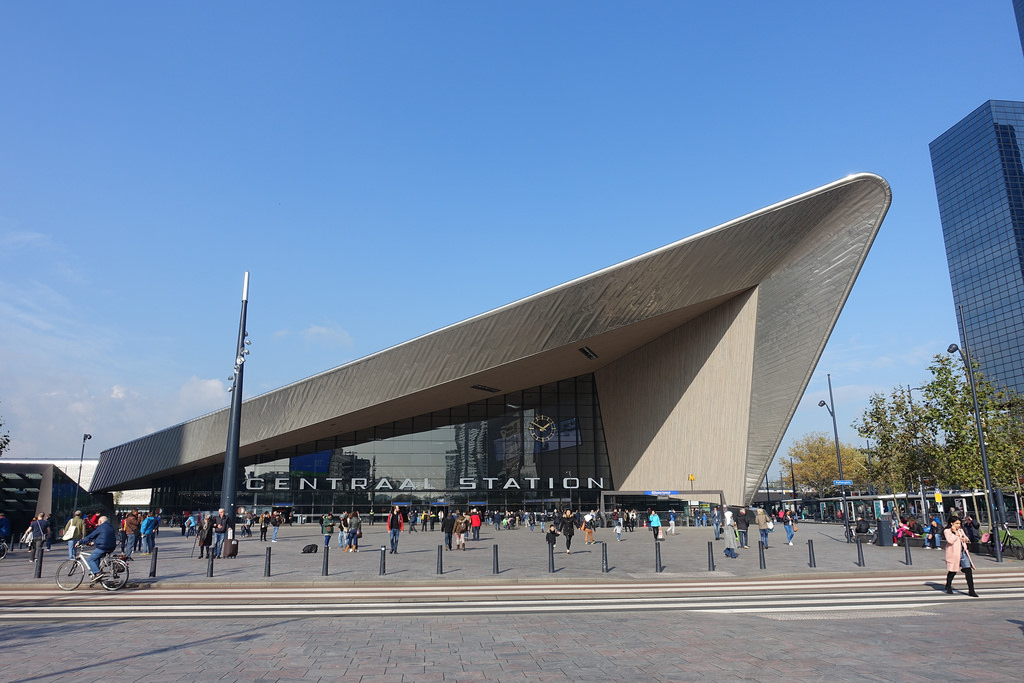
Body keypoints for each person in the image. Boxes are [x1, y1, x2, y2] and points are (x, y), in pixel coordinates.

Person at [943, 517, 978, 597]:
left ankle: (971, 590)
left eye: (959, 523)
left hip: (963, 553)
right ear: (952, 523)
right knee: (953, 571)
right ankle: (948, 585)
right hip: (954, 554)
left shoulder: (961, 530)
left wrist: (964, 539)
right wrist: (955, 533)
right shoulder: (947, 531)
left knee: (968, 571)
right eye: (957, 523)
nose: (958, 525)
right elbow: (950, 540)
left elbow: (966, 538)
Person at [79, 515, 116, 581]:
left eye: (98, 521)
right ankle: (96, 576)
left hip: (103, 547)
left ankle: (97, 573)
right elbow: (103, 536)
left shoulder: (101, 527)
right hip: (111, 547)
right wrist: (94, 542)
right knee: (96, 558)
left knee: (90, 559)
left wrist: (80, 542)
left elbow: (91, 535)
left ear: (100, 521)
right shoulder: (110, 526)